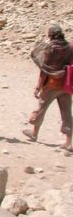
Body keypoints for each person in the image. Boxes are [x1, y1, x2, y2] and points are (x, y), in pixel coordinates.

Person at [24, 23, 73, 151]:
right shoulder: (70, 46)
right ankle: (68, 141)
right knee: (66, 111)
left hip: (52, 84)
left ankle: (34, 133)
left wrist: (38, 86)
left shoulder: (50, 48)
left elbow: (44, 69)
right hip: (66, 83)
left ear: (50, 35)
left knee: (42, 107)